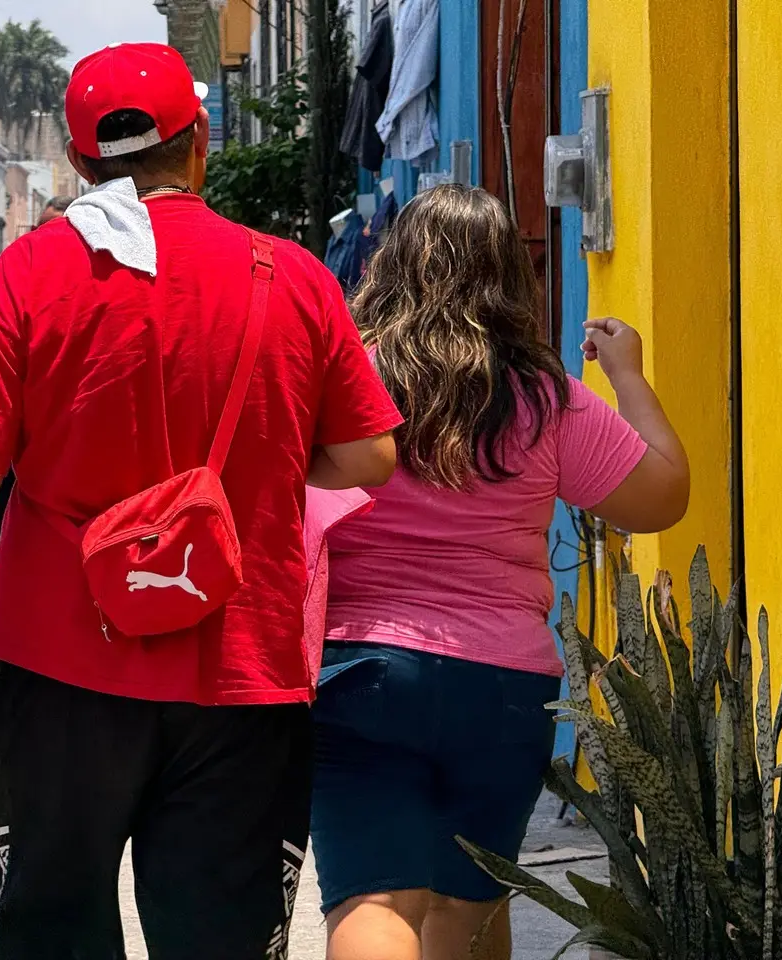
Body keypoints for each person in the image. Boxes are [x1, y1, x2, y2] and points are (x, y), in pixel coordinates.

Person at [0, 42, 402, 960]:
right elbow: (371, 453)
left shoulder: (27, 275)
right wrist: (259, 467)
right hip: (239, 677)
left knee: (50, 934)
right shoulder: (290, 277)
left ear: (80, 158)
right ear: (200, 143)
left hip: (58, 678)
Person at [307, 184, 689, 960]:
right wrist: (629, 375)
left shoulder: (349, 377)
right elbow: (662, 498)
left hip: (363, 670)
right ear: (510, 278)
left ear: (392, 267)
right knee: (470, 902)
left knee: (376, 899)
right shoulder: (547, 399)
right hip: (505, 685)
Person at [0, 194, 76, 552]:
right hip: (21, 456)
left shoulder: (99, 286)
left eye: (57, 228)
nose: (45, 237)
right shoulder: (15, 281)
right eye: (40, 228)